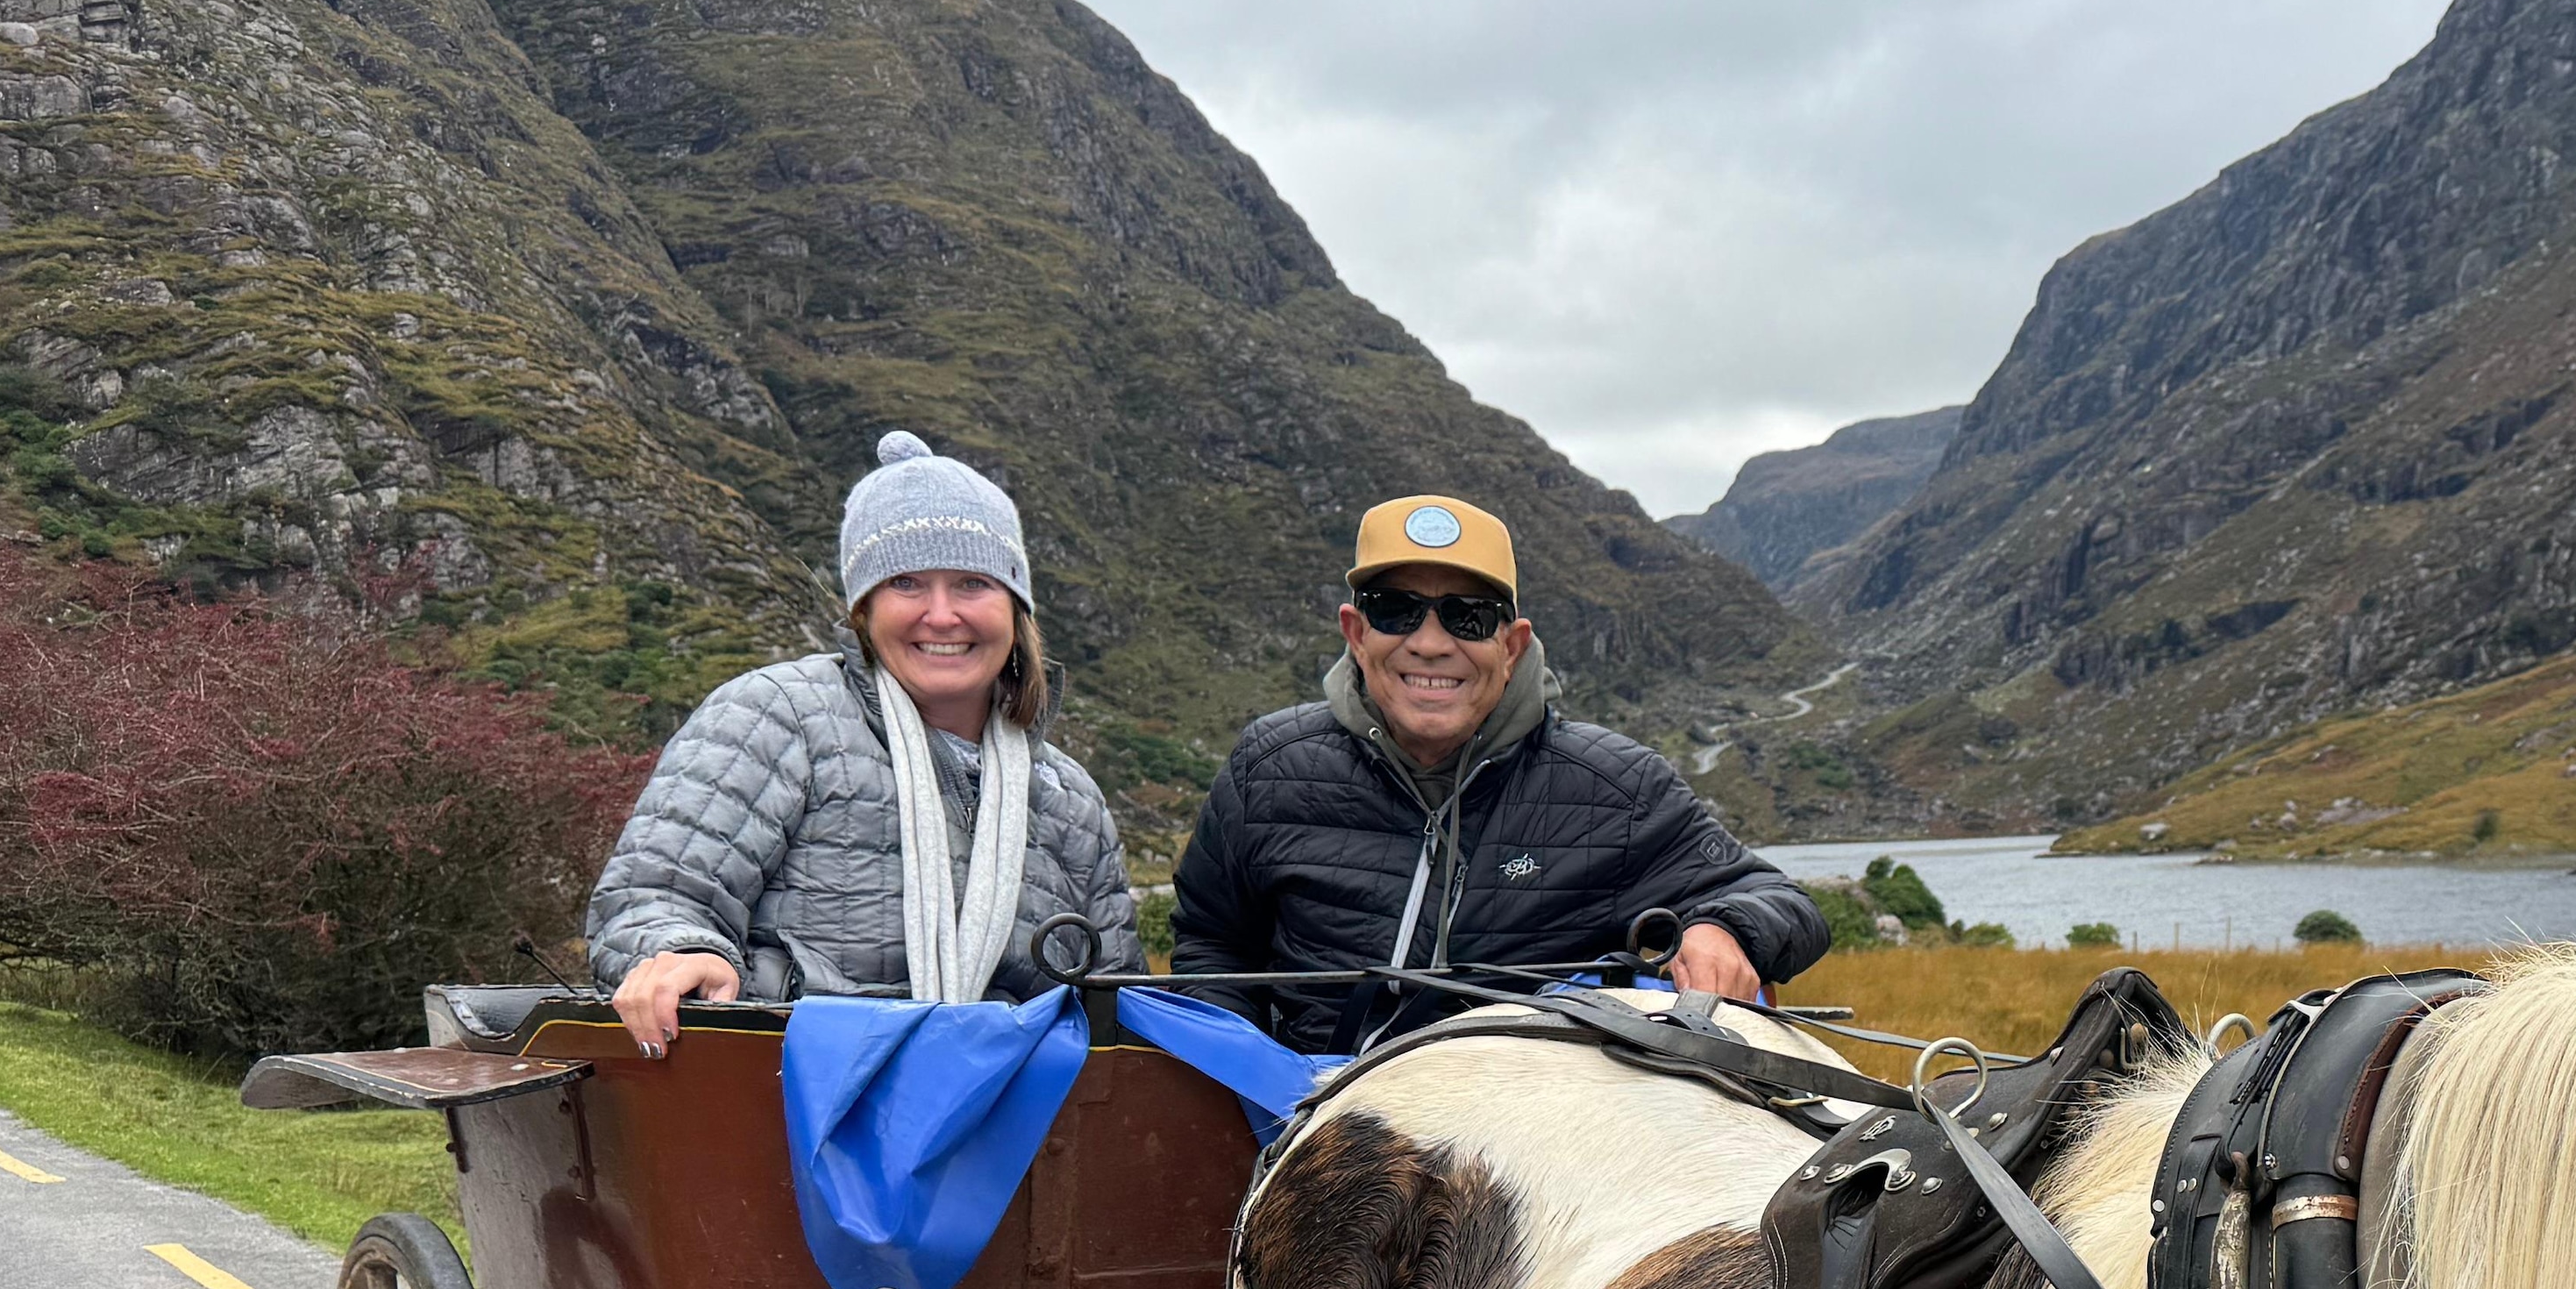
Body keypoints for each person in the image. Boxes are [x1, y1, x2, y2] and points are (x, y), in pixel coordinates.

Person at [1171, 494, 1825, 1052]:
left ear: (1510, 647)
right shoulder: (1269, 764)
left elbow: (1783, 903)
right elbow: (1212, 942)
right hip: (1303, 1135)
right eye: (1395, 609)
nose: (1430, 642)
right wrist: (1245, 1092)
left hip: (1524, 1166)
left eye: (1468, 617)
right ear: (1355, 631)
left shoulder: (1617, 787)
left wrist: (1724, 928)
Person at [586, 432, 1137, 1055]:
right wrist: (685, 953)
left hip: (1018, 1129)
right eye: (905, 582)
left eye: (972, 583)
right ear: (863, 609)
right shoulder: (778, 715)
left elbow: (1115, 1003)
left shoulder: (1071, 799)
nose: (941, 614)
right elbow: (656, 893)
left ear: (1016, 607)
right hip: (790, 1100)